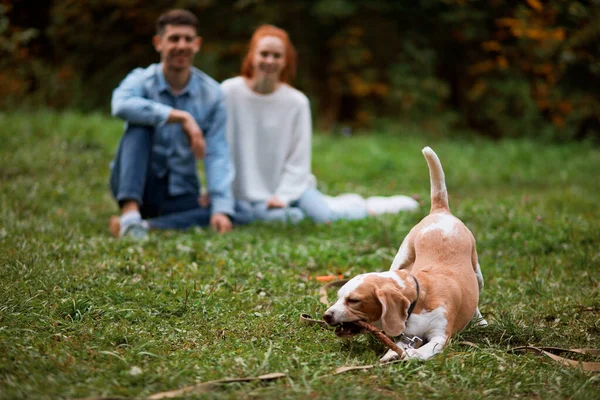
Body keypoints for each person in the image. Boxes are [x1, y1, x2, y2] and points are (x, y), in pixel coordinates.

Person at [221, 25, 418, 224]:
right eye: (264, 54)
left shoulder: (296, 102)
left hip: (295, 187)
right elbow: (217, 148)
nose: (269, 61)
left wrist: (283, 196)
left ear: (286, 61)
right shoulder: (228, 92)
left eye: (277, 56)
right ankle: (332, 203)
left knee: (325, 216)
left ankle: (372, 207)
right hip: (248, 196)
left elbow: (299, 160)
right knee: (292, 220)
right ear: (252, 56)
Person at [108, 9, 250, 239]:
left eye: (188, 39)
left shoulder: (212, 94)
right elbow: (120, 105)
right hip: (139, 185)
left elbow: (217, 152)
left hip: (181, 191)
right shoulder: (141, 80)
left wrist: (220, 205)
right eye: (174, 38)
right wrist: (180, 116)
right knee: (139, 126)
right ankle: (130, 212)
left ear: (197, 44)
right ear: (158, 43)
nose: (181, 45)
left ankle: (144, 227)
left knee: (234, 209)